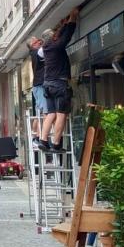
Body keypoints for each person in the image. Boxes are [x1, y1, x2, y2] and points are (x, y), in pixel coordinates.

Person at [40, 8, 80, 152]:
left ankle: (43, 140)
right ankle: (56, 143)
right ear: (53, 37)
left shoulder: (46, 47)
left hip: (47, 85)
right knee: (61, 114)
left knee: (51, 113)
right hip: (59, 84)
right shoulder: (57, 46)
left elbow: (59, 35)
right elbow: (67, 35)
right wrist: (72, 18)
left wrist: (63, 24)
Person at [26, 37, 47, 148]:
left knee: (39, 112)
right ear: (33, 45)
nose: (39, 41)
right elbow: (45, 48)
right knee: (44, 113)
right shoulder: (36, 52)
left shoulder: (33, 53)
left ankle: (36, 137)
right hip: (40, 85)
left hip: (38, 85)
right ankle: (39, 137)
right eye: (37, 41)